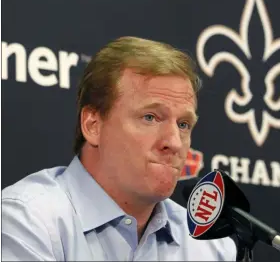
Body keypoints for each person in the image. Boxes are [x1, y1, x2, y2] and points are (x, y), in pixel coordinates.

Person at [1, 36, 237, 261]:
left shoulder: (211, 248)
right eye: (150, 117)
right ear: (93, 125)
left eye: (183, 124)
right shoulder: (29, 220)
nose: (174, 142)